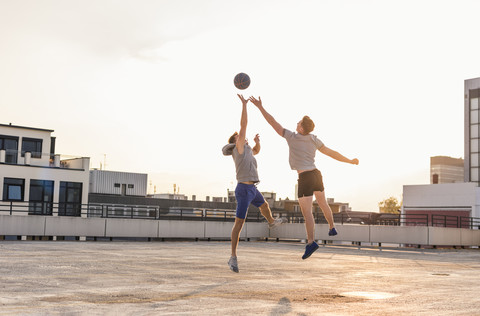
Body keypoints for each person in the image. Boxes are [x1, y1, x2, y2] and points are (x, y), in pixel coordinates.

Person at [249, 96, 359, 260]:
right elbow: (331, 153)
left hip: (305, 177)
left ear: (301, 128)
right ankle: (332, 226)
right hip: (316, 174)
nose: (297, 123)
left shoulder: (291, 136)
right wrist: (349, 161)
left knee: (307, 213)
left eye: (299, 122)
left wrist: (260, 107)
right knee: (323, 203)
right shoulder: (314, 139)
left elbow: (273, 122)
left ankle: (310, 242)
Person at [222, 94, 287, 273]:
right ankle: (233, 257)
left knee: (265, 205)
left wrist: (258, 143)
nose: (241, 136)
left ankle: (272, 222)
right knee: (239, 225)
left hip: (252, 188)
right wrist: (244, 105)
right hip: (243, 189)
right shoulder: (239, 149)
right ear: (236, 141)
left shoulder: (248, 150)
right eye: (238, 136)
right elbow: (243, 126)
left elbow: (257, 150)